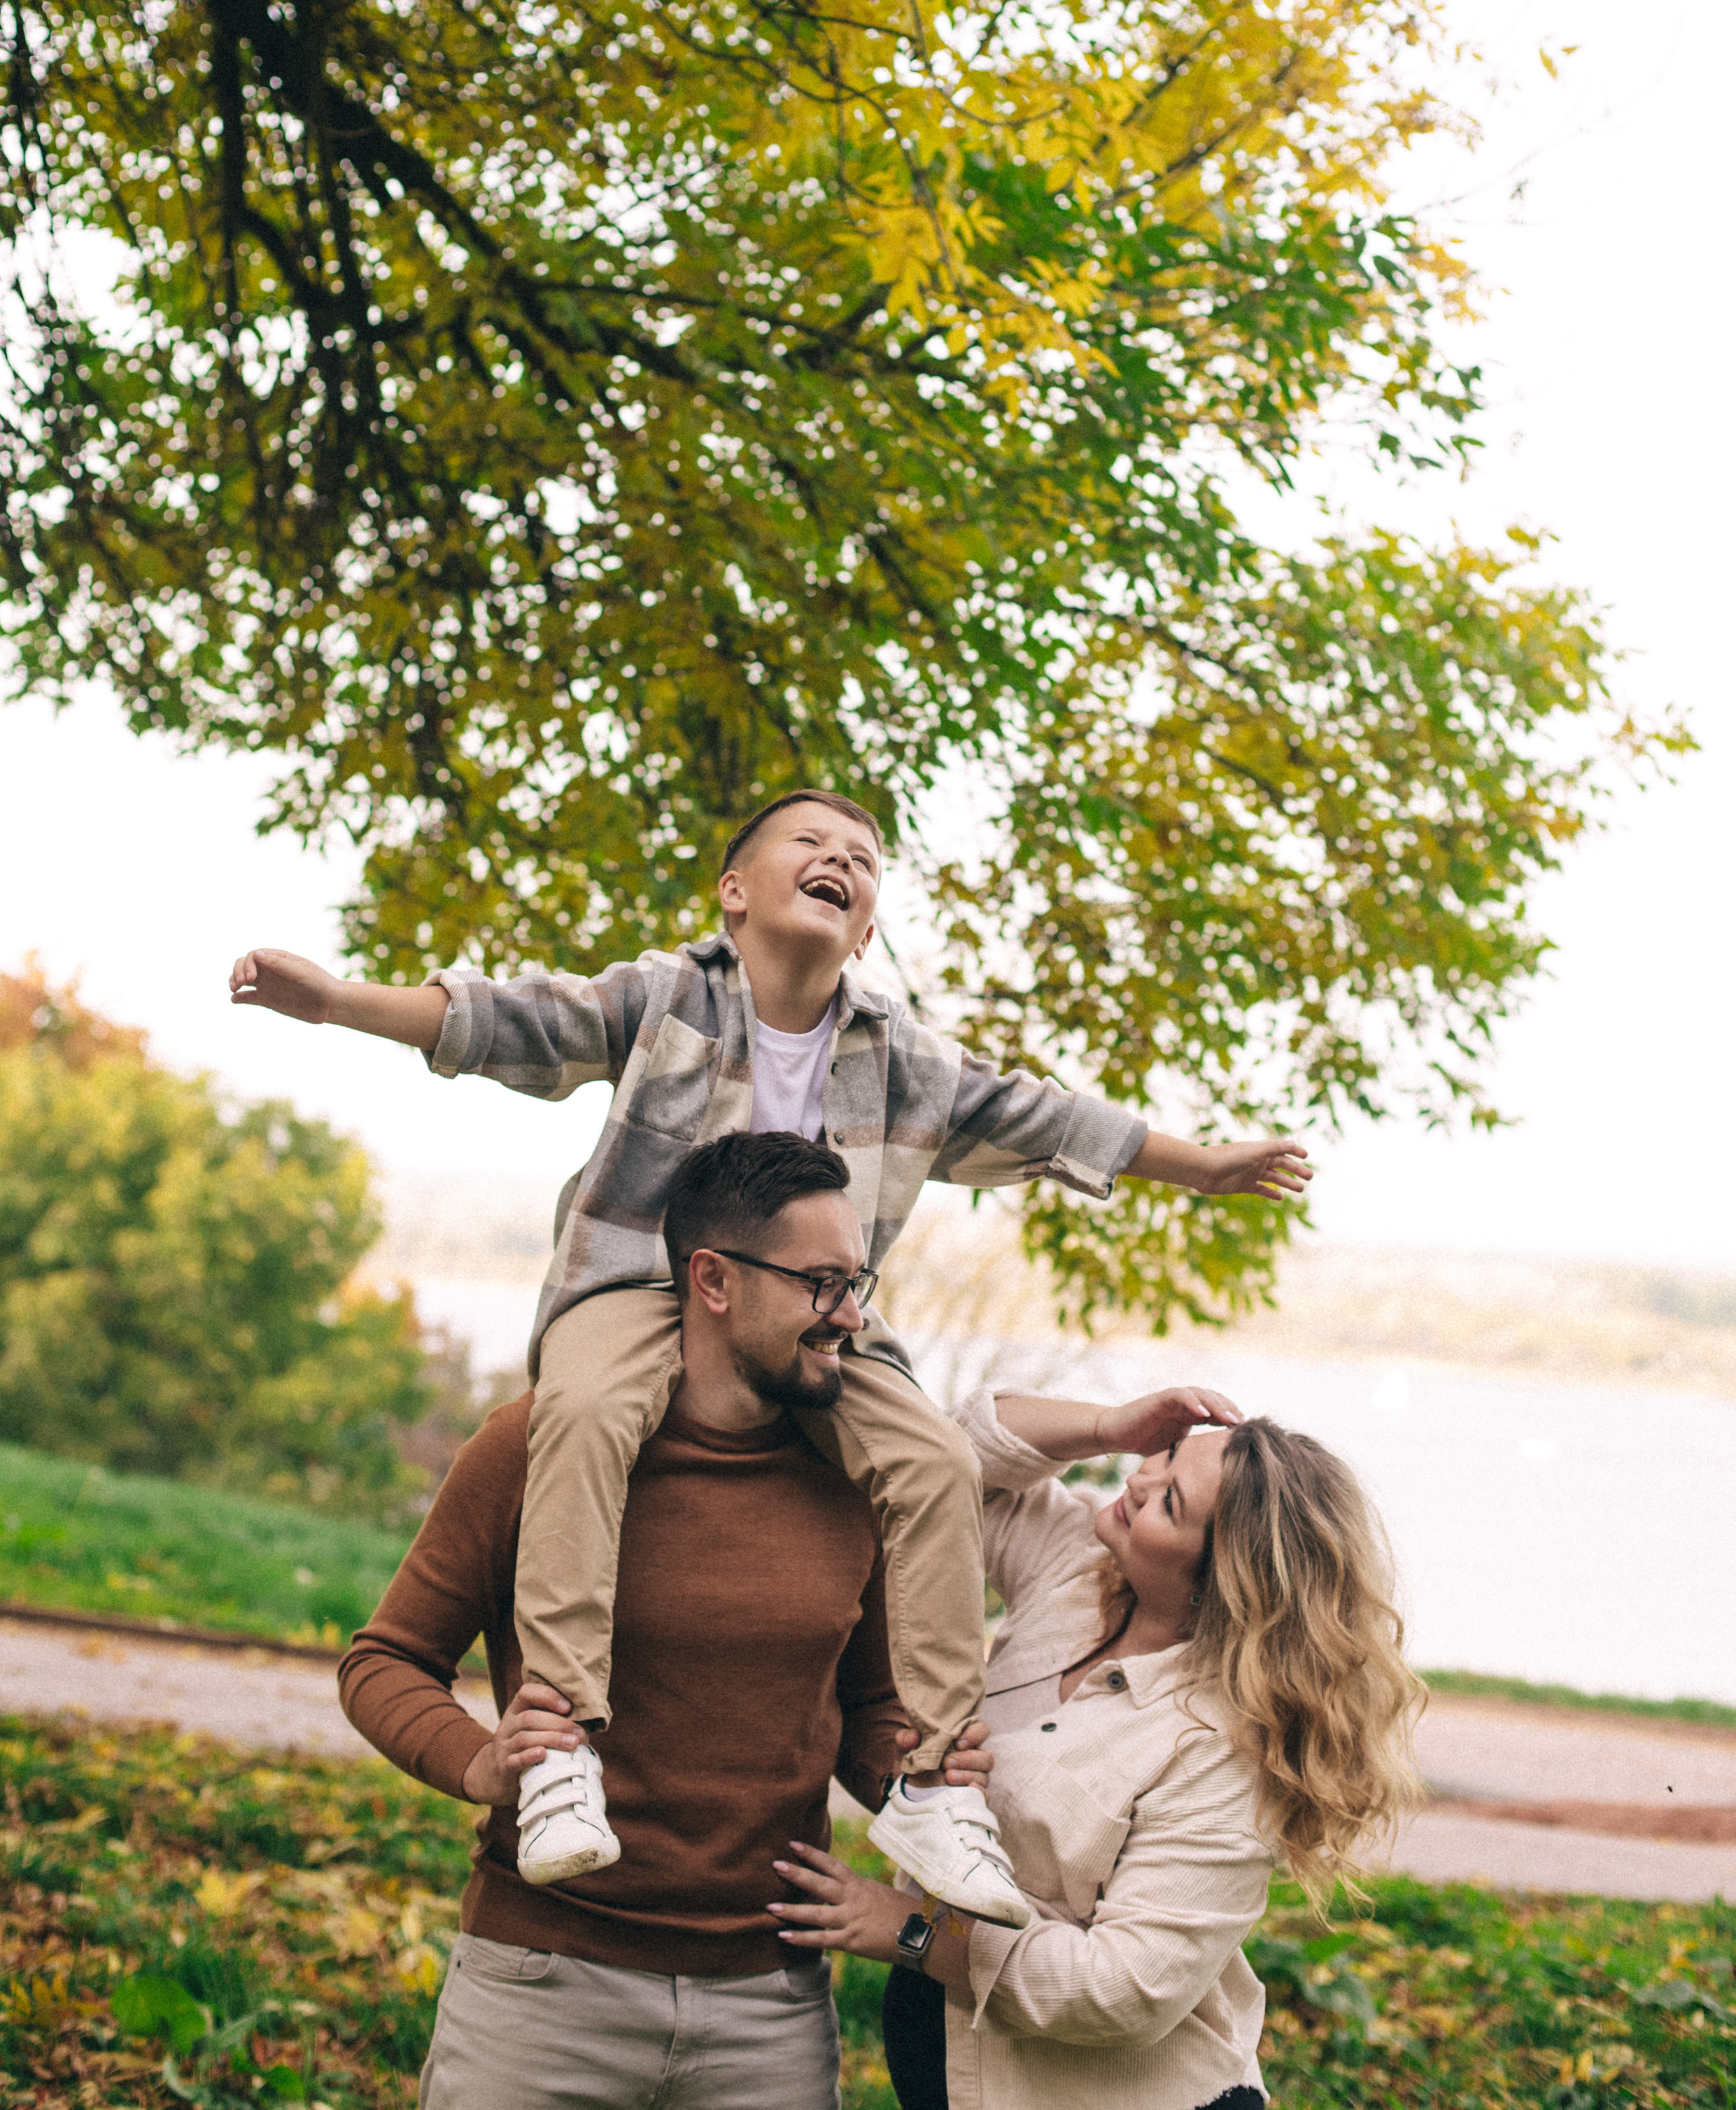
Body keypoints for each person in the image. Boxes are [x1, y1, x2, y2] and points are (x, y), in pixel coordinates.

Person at [235, 787, 1311, 1914]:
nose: (841, 860)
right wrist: (335, 1004)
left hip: (819, 1315)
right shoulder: (668, 999)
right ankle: (559, 1755)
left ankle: (938, 1786)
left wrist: (1210, 1168)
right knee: (588, 1415)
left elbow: (1054, 1122)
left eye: (865, 860)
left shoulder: (902, 1060)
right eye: (812, 843)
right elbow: (514, 1020)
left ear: (868, 929)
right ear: (736, 892)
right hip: (635, 1279)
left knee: (936, 1462)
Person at [340, 1130, 918, 2110]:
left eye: (857, 1281)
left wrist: (916, 1774)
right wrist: (481, 1764)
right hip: (541, 1990)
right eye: (823, 1284)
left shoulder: (857, 1476)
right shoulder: (539, 1442)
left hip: (767, 2011)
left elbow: (867, 1711)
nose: (852, 1315)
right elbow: (385, 1662)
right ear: (714, 1280)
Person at [768, 1379, 1422, 2110]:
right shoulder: (1083, 1571)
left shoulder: (1226, 1748)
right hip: (952, 2068)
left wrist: (910, 1933)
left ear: (1222, 1582)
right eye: (1164, 1458)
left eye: (1169, 1502)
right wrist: (1111, 1425)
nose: (1139, 1480)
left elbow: (1121, 1994)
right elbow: (947, 1459)